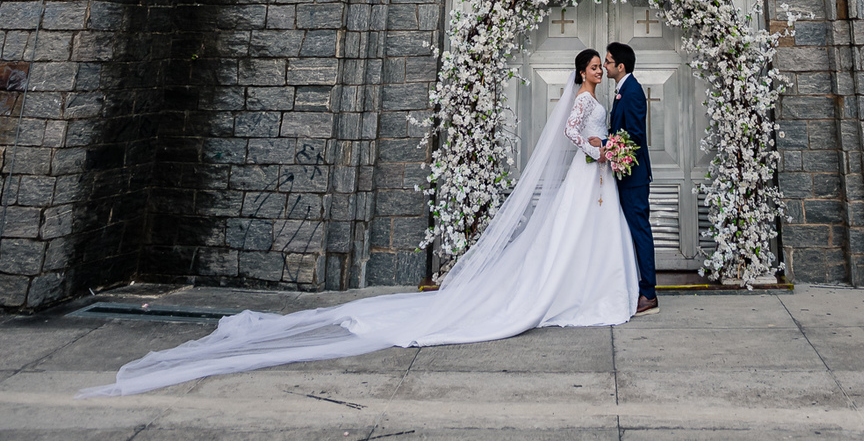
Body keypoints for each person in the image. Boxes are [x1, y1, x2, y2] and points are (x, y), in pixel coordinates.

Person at [78, 47, 639, 397]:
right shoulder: (580, 101)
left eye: (599, 66)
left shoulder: (606, 96)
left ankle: (587, 290)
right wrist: (597, 145)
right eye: (591, 66)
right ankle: (564, 293)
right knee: (567, 238)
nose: (596, 70)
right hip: (587, 173)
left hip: (597, 177)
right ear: (581, 71)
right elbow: (570, 135)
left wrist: (606, 146)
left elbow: (591, 134)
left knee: (589, 237)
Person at [605, 42, 658, 313]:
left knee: (640, 231)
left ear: (620, 66)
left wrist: (605, 144)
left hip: (634, 177)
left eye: (608, 61)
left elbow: (634, 136)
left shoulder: (633, 92)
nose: (605, 66)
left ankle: (648, 294)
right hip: (625, 175)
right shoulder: (623, 90)